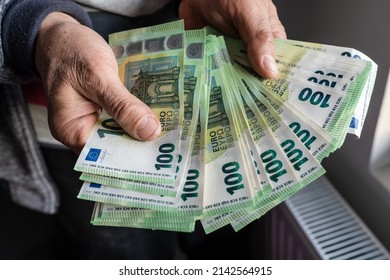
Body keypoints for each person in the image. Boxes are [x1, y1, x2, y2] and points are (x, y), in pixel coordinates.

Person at [0, 0, 286, 259]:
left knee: (227, 239)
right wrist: (36, 28)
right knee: (129, 255)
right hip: (68, 104)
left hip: (208, 41)